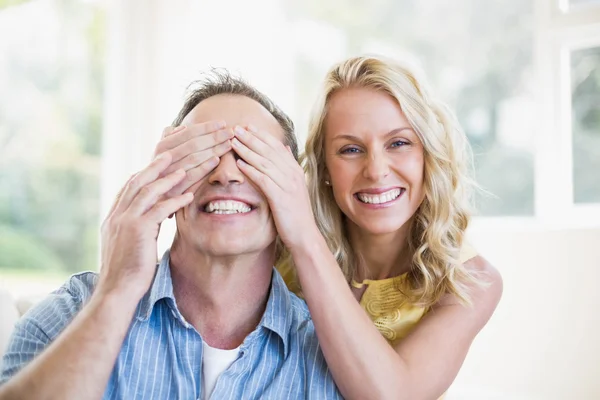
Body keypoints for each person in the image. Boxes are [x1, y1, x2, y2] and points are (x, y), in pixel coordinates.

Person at [0, 71, 342, 400]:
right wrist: (116, 292)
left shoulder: (332, 357)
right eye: (202, 154)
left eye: (252, 155)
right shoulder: (68, 315)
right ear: (161, 177)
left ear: (294, 187)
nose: (226, 174)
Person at [228, 54, 503, 400]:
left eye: (399, 143)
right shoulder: (277, 249)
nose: (376, 170)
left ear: (428, 154)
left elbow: (394, 395)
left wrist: (306, 240)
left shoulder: (472, 282)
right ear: (324, 168)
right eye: (351, 149)